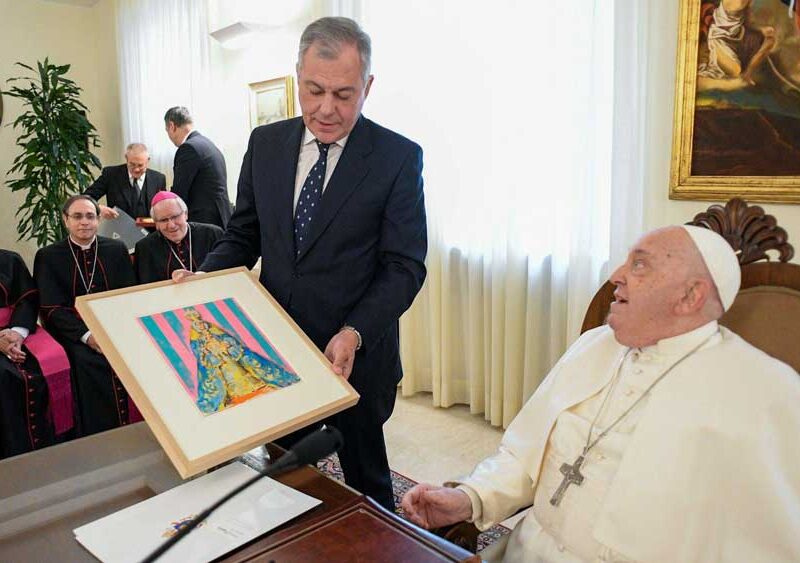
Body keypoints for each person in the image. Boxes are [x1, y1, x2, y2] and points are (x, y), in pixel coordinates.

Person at [402, 225, 800, 562]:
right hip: (526, 551)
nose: (615, 274)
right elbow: (526, 456)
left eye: (639, 264)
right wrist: (471, 498)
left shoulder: (764, 392)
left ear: (690, 296)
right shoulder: (595, 345)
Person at [175, 17, 427, 511]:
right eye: (313, 91)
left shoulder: (397, 158)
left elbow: (404, 267)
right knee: (284, 484)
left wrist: (354, 331)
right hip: (275, 355)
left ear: (368, 87)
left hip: (354, 358)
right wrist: (202, 280)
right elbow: (243, 235)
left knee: (368, 493)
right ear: (297, 77)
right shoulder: (265, 145)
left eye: (344, 94)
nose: (326, 109)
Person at [34, 195, 140, 436]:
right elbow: (51, 308)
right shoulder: (49, 256)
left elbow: (128, 296)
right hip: (74, 333)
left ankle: (138, 429)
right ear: (65, 220)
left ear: (98, 219)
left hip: (115, 327)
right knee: (85, 361)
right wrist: (88, 336)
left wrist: (117, 330)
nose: (84, 222)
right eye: (77, 216)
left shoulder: (116, 249)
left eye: (90, 216)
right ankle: (97, 434)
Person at [0, 250, 73, 458]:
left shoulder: (9, 259)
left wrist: (17, 332)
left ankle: (58, 446)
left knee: (57, 359)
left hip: (16, 330)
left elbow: (28, 298)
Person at [164, 107, 232, 228]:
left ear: (172, 126)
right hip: (221, 217)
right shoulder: (207, 144)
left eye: (166, 130)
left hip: (204, 222)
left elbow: (180, 193)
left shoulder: (188, 148)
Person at [133, 192, 223, 284]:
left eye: (175, 217)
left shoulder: (212, 234)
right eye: (163, 220)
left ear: (185, 214)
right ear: (156, 224)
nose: (171, 225)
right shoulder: (145, 248)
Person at [697, 0, 776, 91]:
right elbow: (730, 22)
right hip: (721, 37)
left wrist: (760, 30)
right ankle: (715, 51)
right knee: (735, 71)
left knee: (770, 40)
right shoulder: (736, 2)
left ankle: (747, 73)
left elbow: (746, 21)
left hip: (738, 33)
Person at [84, 143, 167, 220]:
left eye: (140, 165)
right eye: (132, 164)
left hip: (151, 232)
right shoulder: (110, 175)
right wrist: (98, 208)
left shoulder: (158, 179)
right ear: (126, 158)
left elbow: (164, 207)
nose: (136, 169)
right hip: (118, 232)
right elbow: (86, 197)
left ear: (148, 161)